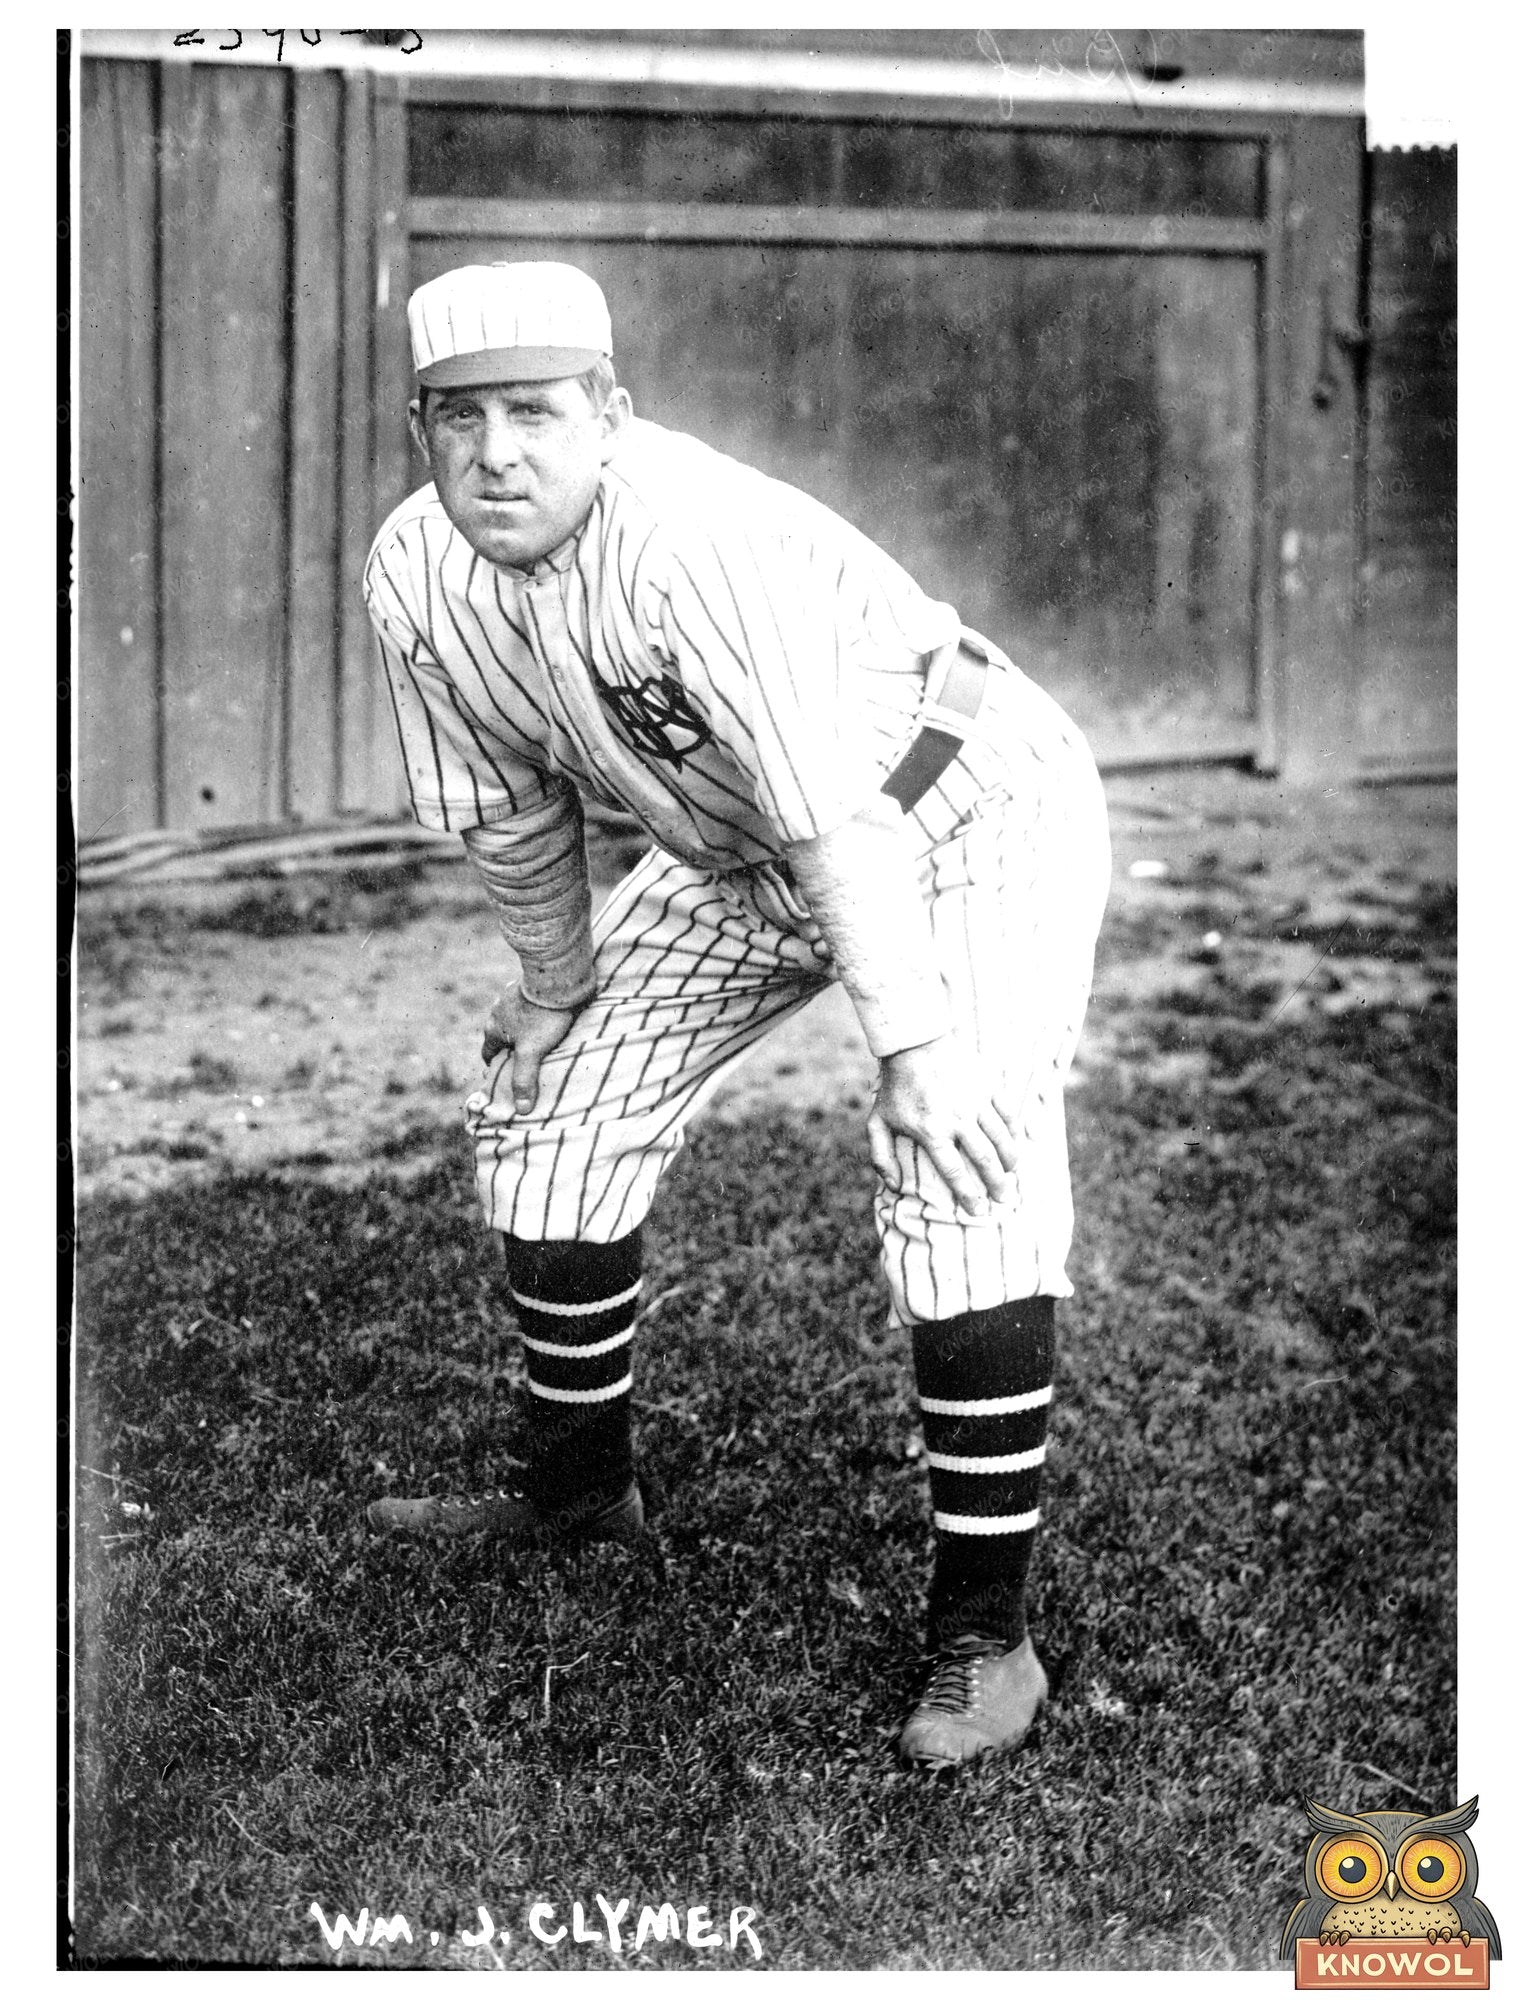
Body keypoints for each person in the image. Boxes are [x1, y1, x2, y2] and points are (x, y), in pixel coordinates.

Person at [361, 261, 1110, 1768]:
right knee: (552, 1108)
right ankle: (579, 1499)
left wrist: (913, 1043)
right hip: (741, 849)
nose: (496, 451)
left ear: (609, 418)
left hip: (954, 806)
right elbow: (507, 809)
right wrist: (555, 984)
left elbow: (833, 812)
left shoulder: (683, 537)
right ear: (423, 433)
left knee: (960, 1166)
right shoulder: (415, 570)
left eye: (534, 412)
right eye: (459, 420)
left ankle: (986, 1636)